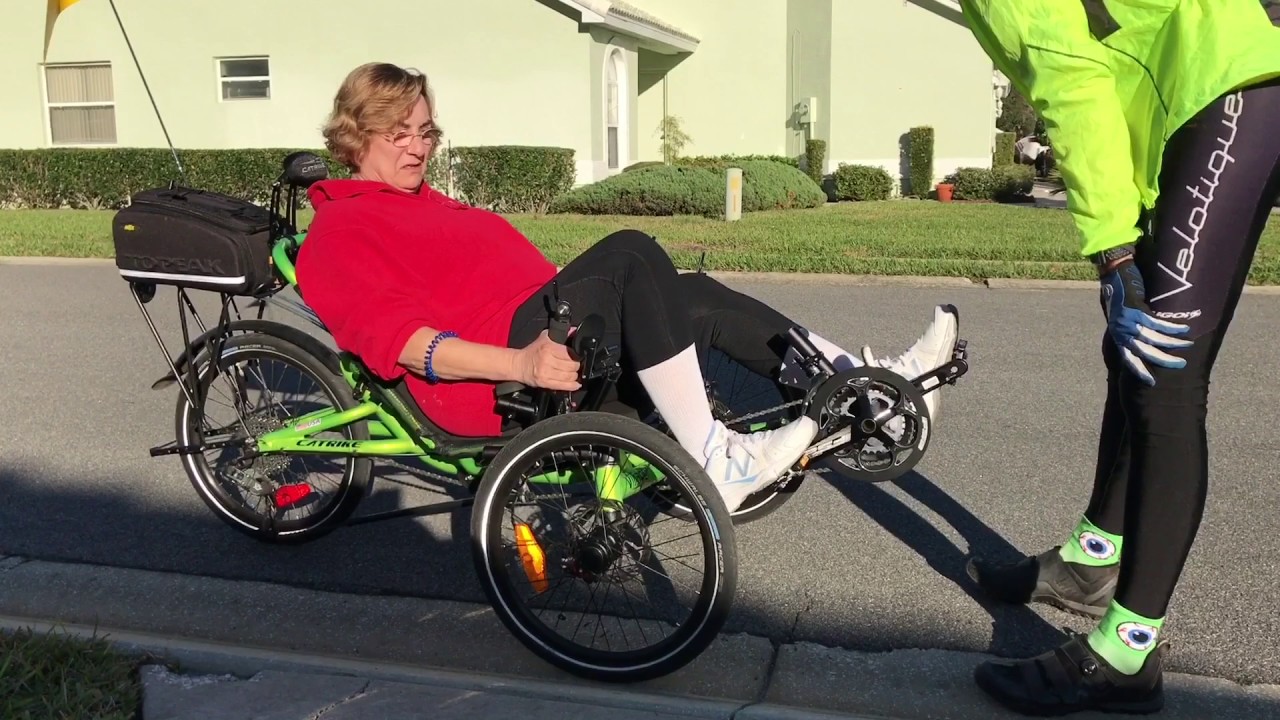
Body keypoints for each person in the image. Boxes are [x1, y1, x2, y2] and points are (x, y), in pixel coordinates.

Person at [294, 62, 962, 514]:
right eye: (398, 134)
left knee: (693, 293)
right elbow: (402, 344)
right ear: (355, 137)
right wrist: (521, 364)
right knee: (630, 253)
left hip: (541, 327)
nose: (417, 147)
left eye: (425, 132)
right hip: (501, 378)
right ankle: (713, 460)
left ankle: (864, 389)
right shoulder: (343, 229)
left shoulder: (420, 202)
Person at [956, 1, 1280, 715]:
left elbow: (1071, 79)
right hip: (1203, 88)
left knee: (1164, 370)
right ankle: (1092, 560)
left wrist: (1113, 250)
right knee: (1131, 351)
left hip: (1233, 81)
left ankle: (1129, 652)